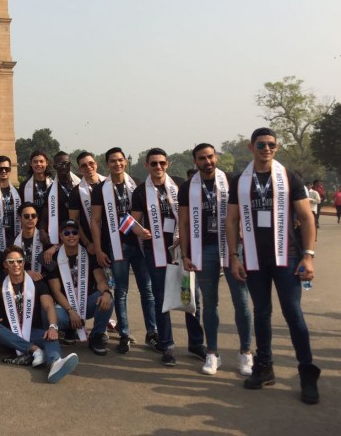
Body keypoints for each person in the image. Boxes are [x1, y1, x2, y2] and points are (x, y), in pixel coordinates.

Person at [226, 127, 320, 404]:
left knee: (293, 313)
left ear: (276, 148)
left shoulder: (289, 177)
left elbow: (307, 217)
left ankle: (307, 371)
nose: (266, 148)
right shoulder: (240, 181)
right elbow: (231, 220)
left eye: (271, 144)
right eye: (261, 144)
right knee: (262, 313)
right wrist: (234, 256)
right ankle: (264, 366)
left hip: (287, 256)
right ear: (251, 147)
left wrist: (308, 256)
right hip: (255, 257)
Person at [178, 143, 253, 376]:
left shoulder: (232, 181)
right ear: (195, 161)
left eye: (210, 157)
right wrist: (185, 254)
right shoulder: (187, 187)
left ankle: (245, 352)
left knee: (241, 301)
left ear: (216, 157)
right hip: (204, 249)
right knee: (210, 303)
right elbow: (184, 222)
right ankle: (212, 353)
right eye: (202, 158)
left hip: (233, 248)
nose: (207, 162)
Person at [130, 148, 205, 367]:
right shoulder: (141, 192)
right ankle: (167, 345)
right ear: (146, 166)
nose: (158, 167)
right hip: (155, 250)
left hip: (182, 249)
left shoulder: (179, 185)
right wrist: (139, 230)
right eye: (153, 163)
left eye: (161, 163)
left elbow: (191, 214)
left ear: (167, 164)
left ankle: (196, 342)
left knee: (190, 295)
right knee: (161, 298)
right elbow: (132, 221)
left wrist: (184, 236)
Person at [0, 245, 80, 383]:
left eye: (19, 261)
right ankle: (34, 350)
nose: (16, 265)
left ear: (23, 263)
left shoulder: (38, 284)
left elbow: (49, 307)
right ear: (5, 265)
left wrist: (52, 327)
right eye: (11, 262)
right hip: (11, 335)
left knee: (50, 335)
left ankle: (55, 363)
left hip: (33, 331)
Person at [90, 147, 157, 354]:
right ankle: (124, 333)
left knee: (147, 290)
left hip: (139, 245)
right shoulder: (100, 189)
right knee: (121, 291)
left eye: (120, 160)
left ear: (125, 162)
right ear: (107, 164)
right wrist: (98, 249)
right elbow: (95, 221)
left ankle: (152, 332)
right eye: (113, 161)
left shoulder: (137, 183)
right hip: (117, 246)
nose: (117, 164)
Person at [46, 219, 113, 356]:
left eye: (75, 232)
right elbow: (56, 291)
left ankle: (97, 335)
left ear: (78, 235)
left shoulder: (88, 254)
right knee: (55, 316)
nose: (71, 235)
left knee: (108, 299)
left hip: (86, 303)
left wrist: (106, 292)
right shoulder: (53, 258)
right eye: (67, 233)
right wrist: (71, 311)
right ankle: (70, 328)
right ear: (61, 236)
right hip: (65, 307)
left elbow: (100, 280)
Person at [40, 152, 80, 263]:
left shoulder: (80, 183)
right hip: (64, 234)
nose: (64, 167)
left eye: (66, 163)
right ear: (54, 166)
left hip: (82, 232)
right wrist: (42, 229)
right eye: (60, 164)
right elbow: (45, 213)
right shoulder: (51, 191)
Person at [68, 151, 106, 254]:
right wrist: (87, 243)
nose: (88, 167)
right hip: (91, 242)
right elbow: (74, 220)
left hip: (112, 239)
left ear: (96, 164)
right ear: (79, 169)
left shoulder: (108, 184)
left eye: (91, 163)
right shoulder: (76, 192)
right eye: (84, 165)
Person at [13, 202, 47, 281]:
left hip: (42, 281)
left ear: (37, 218)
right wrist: (26, 273)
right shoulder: (13, 242)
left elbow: (52, 269)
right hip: (21, 280)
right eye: (26, 216)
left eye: (33, 216)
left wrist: (54, 248)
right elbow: (8, 266)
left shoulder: (45, 240)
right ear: (20, 218)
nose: (30, 218)